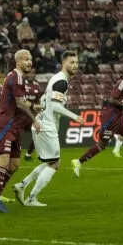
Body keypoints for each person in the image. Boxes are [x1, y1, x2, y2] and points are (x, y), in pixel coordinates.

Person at [14, 52, 84, 206]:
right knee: (55, 164)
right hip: (46, 125)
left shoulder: (56, 78)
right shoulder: (61, 82)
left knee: (49, 162)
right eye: (72, 62)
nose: (75, 66)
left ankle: (22, 185)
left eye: (77, 62)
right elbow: (57, 106)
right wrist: (75, 117)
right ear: (64, 63)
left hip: (41, 122)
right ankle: (31, 198)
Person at [71, 67, 123, 177]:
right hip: (111, 118)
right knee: (102, 145)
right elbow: (111, 99)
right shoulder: (121, 84)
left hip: (119, 118)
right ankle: (78, 162)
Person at [0, 50, 40, 213]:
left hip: (14, 126)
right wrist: (34, 119)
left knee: (14, 164)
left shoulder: (18, 77)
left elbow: (21, 102)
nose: (29, 62)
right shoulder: (16, 76)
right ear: (18, 62)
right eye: (26, 60)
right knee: (3, 160)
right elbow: (19, 104)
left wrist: (34, 106)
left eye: (30, 59)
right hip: (6, 124)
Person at [21, 69, 43, 161]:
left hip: (31, 116)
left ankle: (28, 154)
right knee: (13, 134)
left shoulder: (37, 86)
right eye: (30, 72)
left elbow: (38, 101)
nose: (31, 75)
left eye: (33, 73)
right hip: (20, 115)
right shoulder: (21, 84)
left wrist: (39, 111)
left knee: (38, 133)